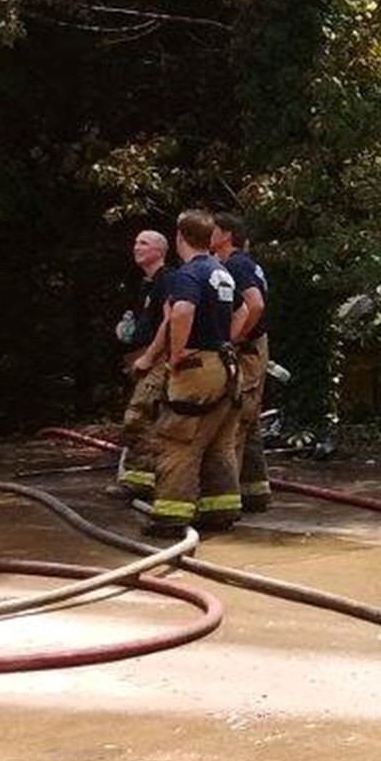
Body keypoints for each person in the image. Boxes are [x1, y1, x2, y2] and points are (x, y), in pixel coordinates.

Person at [145, 210, 241, 537]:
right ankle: (221, 510)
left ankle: (171, 518)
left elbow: (183, 311)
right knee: (219, 443)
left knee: (178, 440)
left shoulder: (188, 274)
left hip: (198, 368)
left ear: (179, 238)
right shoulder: (221, 272)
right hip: (226, 365)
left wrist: (175, 353)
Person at [213, 213, 272, 513]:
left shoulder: (236, 264)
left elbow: (255, 304)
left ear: (225, 235)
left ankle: (228, 497)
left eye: (213, 230)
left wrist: (234, 338)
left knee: (235, 421)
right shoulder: (242, 264)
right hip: (253, 349)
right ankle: (254, 490)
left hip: (247, 351)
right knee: (249, 422)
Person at [113, 229, 173, 499]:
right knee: (143, 416)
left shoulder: (166, 281)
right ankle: (142, 477)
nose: (136, 247)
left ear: (160, 251)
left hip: (156, 358)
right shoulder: (146, 284)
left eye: (144, 243)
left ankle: (140, 482)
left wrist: (150, 356)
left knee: (140, 417)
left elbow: (171, 322)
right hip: (141, 355)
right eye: (136, 242)